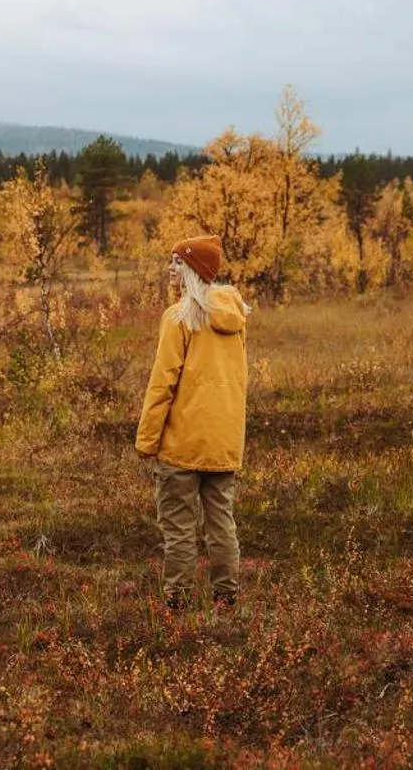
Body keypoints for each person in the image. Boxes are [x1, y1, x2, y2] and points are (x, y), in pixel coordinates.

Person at [135, 235, 250, 611]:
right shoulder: (236, 318)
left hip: (181, 445)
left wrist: (147, 440)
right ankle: (226, 598)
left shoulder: (178, 318)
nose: (170, 268)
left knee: (179, 528)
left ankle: (178, 603)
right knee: (222, 523)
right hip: (224, 442)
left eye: (177, 263)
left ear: (193, 270)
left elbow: (162, 383)